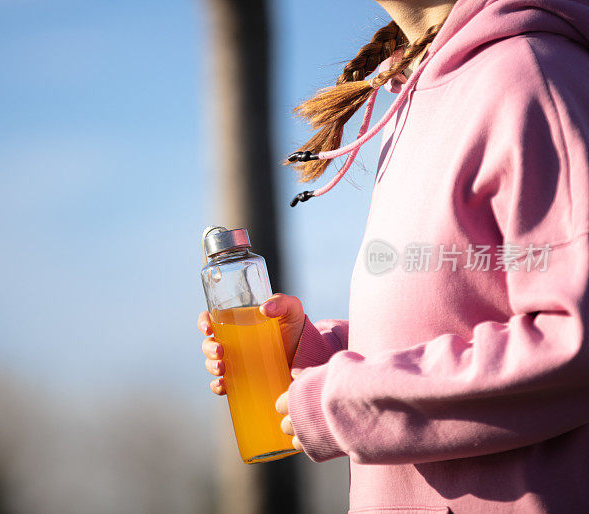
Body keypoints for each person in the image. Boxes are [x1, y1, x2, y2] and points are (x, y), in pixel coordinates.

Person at [199, 0, 589, 511]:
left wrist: (353, 401)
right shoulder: (417, 94)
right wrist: (316, 354)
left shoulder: (528, 76)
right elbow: (455, 320)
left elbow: (573, 341)